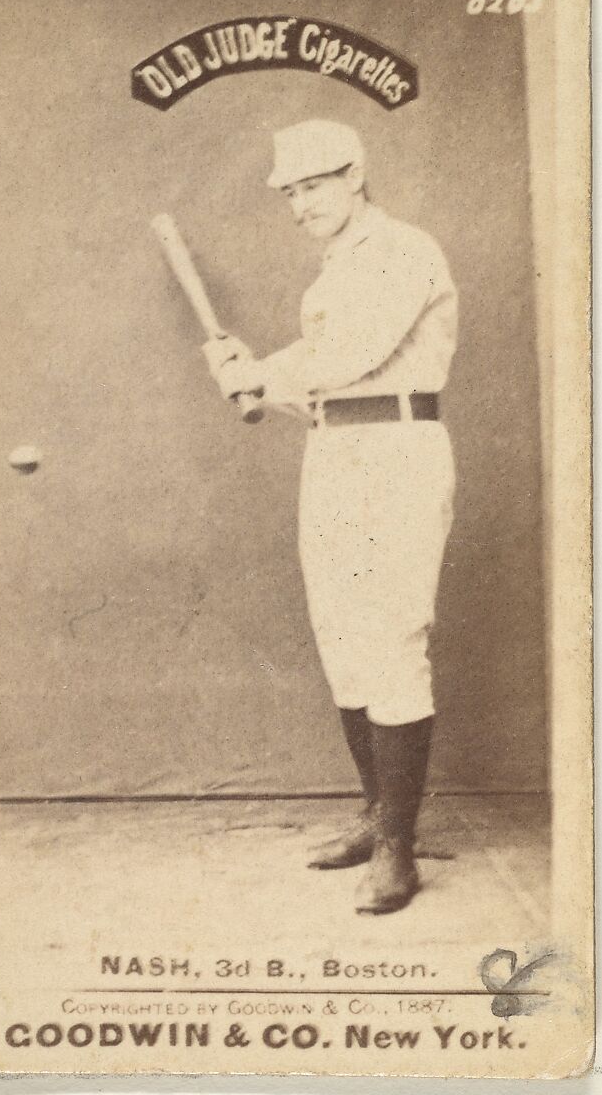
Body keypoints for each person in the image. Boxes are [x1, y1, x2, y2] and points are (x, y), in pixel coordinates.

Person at [203, 119, 457, 914]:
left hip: (398, 454)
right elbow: (324, 393)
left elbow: (352, 354)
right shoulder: (332, 271)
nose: (298, 205)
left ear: (354, 175)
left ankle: (397, 850)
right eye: (288, 193)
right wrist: (249, 376)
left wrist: (257, 371)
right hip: (335, 451)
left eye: (311, 186)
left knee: (392, 639)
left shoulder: (402, 250)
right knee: (343, 641)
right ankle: (376, 816)